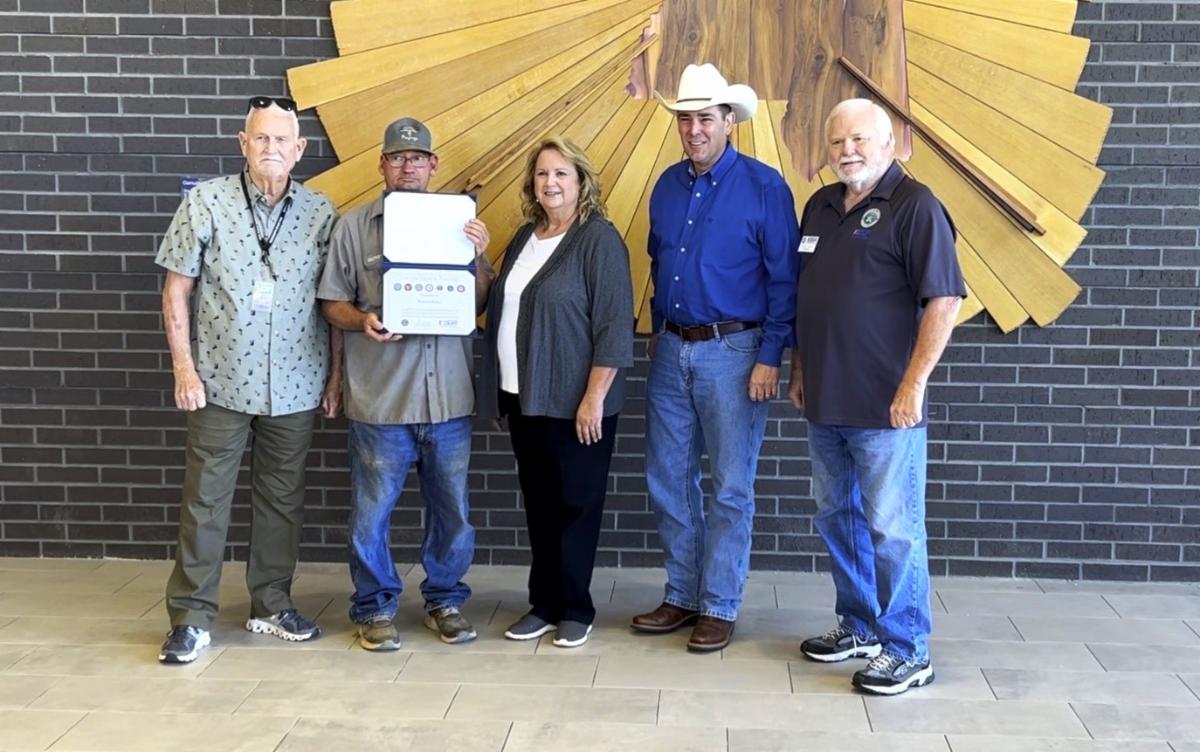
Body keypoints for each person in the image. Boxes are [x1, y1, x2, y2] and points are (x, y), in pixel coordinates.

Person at [156, 95, 340, 664]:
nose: (270, 148)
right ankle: (191, 618)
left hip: (296, 383)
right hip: (218, 382)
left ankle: (271, 605)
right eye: (261, 138)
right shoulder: (206, 202)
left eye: (281, 140)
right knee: (205, 501)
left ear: (299, 149)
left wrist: (335, 376)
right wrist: (183, 368)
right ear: (243, 143)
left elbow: (333, 301)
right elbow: (176, 290)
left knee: (282, 502)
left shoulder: (320, 212)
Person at [790, 99, 965, 695]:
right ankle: (860, 626)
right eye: (837, 142)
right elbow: (808, 296)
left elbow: (944, 299)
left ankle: (908, 649)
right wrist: (799, 368)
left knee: (893, 529)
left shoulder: (916, 206)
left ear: (889, 144)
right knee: (837, 519)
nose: (848, 151)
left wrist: (914, 383)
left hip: (887, 407)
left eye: (860, 139)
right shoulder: (819, 206)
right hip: (825, 401)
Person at [633, 63, 801, 652]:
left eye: (705, 118)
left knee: (730, 487)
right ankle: (682, 594)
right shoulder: (666, 186)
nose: (694, 129)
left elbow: (786, 280)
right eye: (685, 119)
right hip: (671, 348)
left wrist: (771, 357)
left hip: (736, 352)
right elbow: (659, 264)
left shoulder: (764, 187)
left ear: (729, 121)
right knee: (668, 479)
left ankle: (720, 604)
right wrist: (658, 330)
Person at [318, 117, 494, 651]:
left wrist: (479, 257)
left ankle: (445, 600)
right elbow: (331, 303)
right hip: (382, 400)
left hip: (448, 399)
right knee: (371, 515)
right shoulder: (353, 228)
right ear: (382, 165)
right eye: (397, 157)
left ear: (433, 165)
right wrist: (362, 321)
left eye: (417, 158)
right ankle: (374, 607)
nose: (408, 166)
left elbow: (479, 303)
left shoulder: (460, 224)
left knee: (453, 514)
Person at [477, 136, 634, 648]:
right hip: (524, 396)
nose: (551, 183)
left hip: (575, 402)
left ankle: (575, 608)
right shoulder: (526, 235)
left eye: (562, 173)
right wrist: (477, 258)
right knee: (540, 503)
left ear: (581, 181)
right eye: (543, 174)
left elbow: (614, 327)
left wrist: (593, 398)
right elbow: (497, 302)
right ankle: (543, 604)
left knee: (576, 505)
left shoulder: (598, 240)